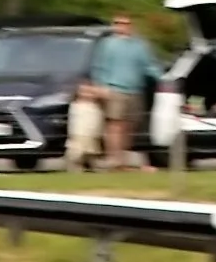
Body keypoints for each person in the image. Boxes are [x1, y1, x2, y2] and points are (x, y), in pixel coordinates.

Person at [90, 14, 160, 172]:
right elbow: (98, 66)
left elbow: (149, 66)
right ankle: (114, 159)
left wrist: (164, 78)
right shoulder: (107, 44)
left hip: (135, 90)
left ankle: (122, 160)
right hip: (114, 89)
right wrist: (100, 86)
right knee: (115, 125)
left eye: (125, 23)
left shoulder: (140, 45)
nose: (121, 26)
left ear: (131, 26)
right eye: (117, 23)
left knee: (130, 126)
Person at [64, 79, 104, 173]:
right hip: (79, 134)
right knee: (76, 153)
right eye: (84, 92)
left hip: (92, 135)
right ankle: (74, 168)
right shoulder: (76, 106)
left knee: (91, 152)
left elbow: (98, 121)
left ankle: (94, 167)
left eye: (90, 92)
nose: (87, 95)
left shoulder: (96, 107)